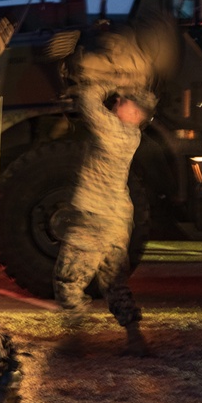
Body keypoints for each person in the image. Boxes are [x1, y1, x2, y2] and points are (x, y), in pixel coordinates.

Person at [53, 78, 156, 357]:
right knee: (114, 283)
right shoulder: (132, 136)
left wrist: (109, 82)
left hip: (93, 219)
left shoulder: (113, 130)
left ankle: (75, 340)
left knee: (68, 282)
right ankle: (135, 338)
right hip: (117, 223)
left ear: (136, 114)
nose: (117, 103)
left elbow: (88, 99)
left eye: (123, 102)